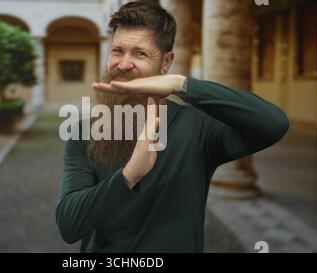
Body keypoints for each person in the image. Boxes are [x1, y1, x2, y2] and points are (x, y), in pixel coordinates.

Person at [55, 1, 289, 252]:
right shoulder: (82, 132)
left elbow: (273, 123)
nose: (123, 64)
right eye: (117, 51)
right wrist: (128, 176)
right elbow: (69, 225)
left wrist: (182, 85)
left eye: (140, 53)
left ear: (166, 63)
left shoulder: (198, 126)